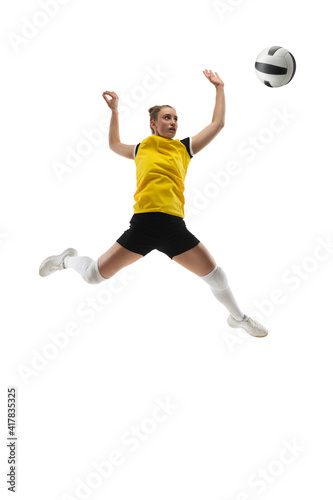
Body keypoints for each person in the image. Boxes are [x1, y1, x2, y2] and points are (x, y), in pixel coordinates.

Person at [39, 69, 268, 338]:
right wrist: (114, 111)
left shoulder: (184, 148)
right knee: (92, 276)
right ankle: (66, 260)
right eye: (167, 118)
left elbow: (217, 125)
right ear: (153, 123)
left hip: (173, 227)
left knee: (216, 276)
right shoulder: (141, 148)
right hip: (144, 226)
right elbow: (114, 144)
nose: (173, 122)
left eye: (175, 119)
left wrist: (219, 88)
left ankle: (238, 318)